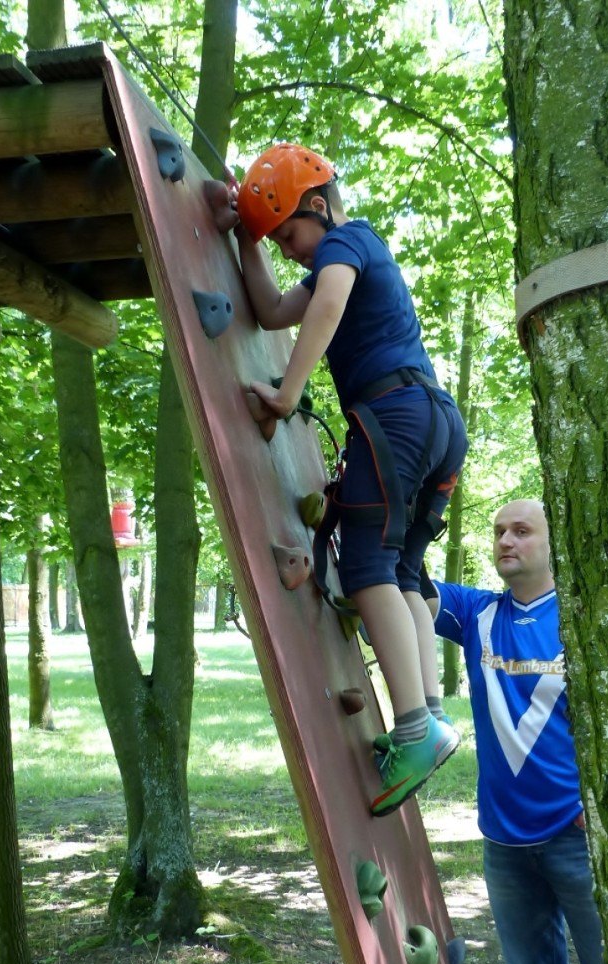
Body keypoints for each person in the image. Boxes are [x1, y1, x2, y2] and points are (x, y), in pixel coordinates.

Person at [214, 143, 468, 817]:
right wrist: (248, 242)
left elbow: (324, 308)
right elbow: (270, 311)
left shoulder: (347, 243)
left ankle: (414, 730)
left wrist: (287, 391)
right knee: (405, 574)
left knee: (365, 569)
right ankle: (432, 719)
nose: (290, 250)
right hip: (436, 421)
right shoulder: (342, 250)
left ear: (320, 209)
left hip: (394, 415)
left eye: (290, 234)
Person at [426, 498, 608, 964]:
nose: (506, 541)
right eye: (498, 532)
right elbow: (396, 580)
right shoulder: (477, 613)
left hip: (580, 847)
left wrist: (596, 814)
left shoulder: (588, 619)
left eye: (522, 530)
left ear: (553, 542)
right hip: (505, 848)